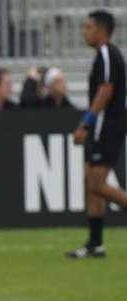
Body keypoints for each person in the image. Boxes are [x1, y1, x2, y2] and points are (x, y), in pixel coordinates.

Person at [68, 9, 127, 258]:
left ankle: (95, 243)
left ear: (102, 30)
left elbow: (106, 90)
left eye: (88, 27)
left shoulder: (106, 53)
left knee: (96, 183)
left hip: (108, 125)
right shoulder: (106, 55)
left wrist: (86, 123)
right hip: (106, 125)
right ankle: (95, 244)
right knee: (90, 181)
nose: (85, 32)